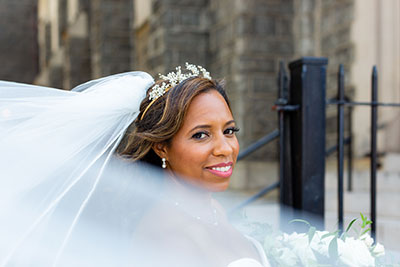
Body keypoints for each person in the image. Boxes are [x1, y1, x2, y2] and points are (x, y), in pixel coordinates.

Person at [0, 64, 269, 266]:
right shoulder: (169, 241)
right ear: (161, 146)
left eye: (229, 131)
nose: (225, 148)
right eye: (201, 135)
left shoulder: (208, 207)